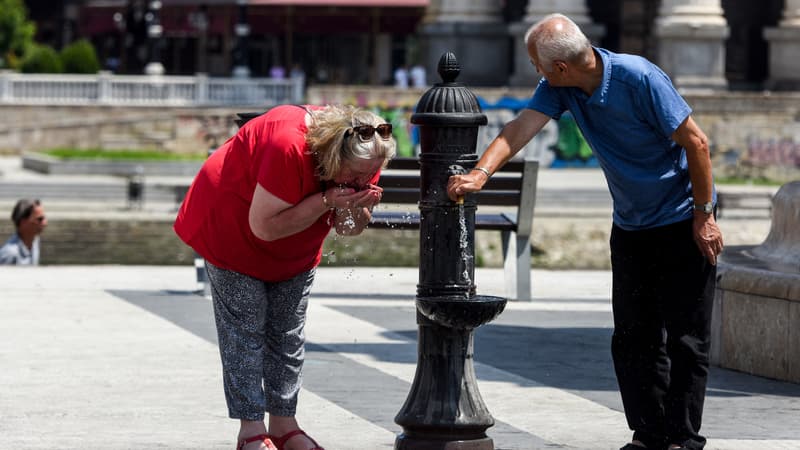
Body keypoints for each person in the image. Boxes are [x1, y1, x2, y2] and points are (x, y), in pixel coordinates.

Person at [447, 13, 723, 450]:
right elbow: (520, 127)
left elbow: (697, 142)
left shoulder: (639, 77)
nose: (536, 72)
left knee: (687, 339)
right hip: (632, 225)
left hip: (683, 218)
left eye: (537, 65)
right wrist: (481, 173)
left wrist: (704, 217)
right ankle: (649, 435)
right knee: (633, 338)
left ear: (559, 67)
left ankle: (683, 440)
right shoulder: (562, 87)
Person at [174, 104, 396, 450]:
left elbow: (347, 229)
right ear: (334, 156)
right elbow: (263, 228)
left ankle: (284, 426)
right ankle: (251, 432)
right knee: (245, 333)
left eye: (367, 178)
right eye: (355, 178)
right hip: (232, 222)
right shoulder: (289, 145)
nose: (360, 182)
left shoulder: (369, 149)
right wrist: (327, 199)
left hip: (295, 242)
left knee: (287, 335)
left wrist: (356, 205)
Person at [0, 199, 48, 265]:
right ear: (23, 222)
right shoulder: (9, 254)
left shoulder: (35, 242)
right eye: (40, 219)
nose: (45, 223)